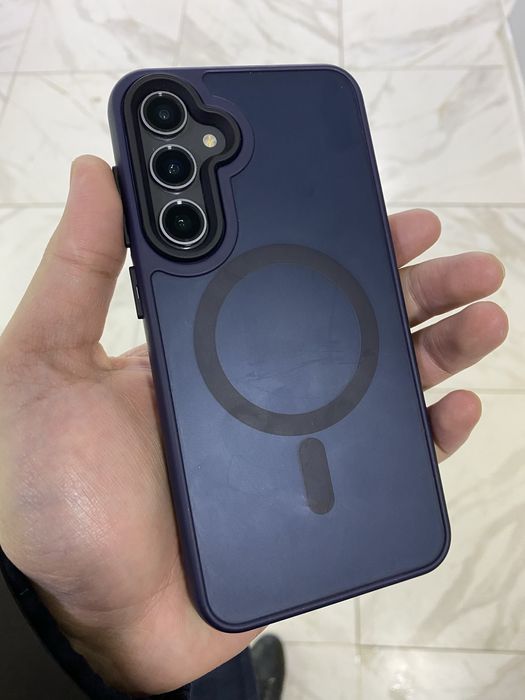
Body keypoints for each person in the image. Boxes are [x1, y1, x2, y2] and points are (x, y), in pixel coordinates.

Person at [0, 156, 508, 699]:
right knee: (219, 659)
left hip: (98, 658)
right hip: (106, 655)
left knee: (219, 666)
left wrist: (90, 636)